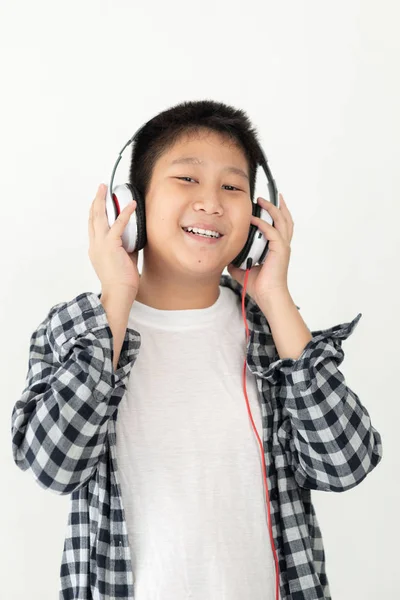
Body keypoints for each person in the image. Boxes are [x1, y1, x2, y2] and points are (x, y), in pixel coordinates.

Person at [10, 99, 383, 600]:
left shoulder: (274, 333)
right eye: (187, 179)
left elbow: (346, 463)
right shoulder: (76, 330)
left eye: (232, 187)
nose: (211, 202)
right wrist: (116, 294)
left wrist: (274, 296)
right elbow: (52, 466)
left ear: (255, 220)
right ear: (131, 205)